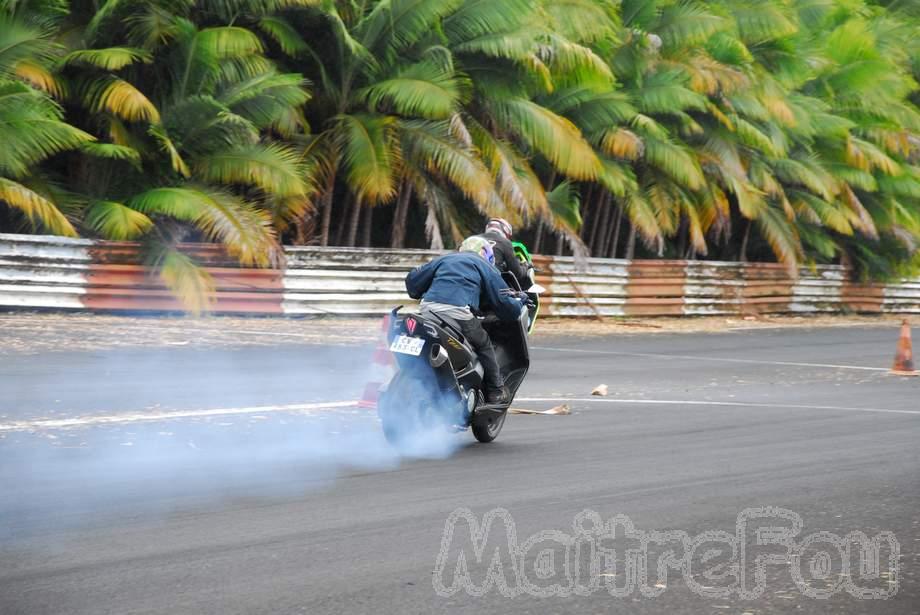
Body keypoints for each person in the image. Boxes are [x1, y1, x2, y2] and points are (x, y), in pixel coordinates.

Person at [405, 236, 525, 404]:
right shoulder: (484, 266)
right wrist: (519, 303)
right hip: (457, 313)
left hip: (427, 311)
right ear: (486, 255)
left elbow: (412, 282)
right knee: (483, 343)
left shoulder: (444, 259)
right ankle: (495, 390)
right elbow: (505, 304)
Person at [475, 218, 531, 290]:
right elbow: (517, 273)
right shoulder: (505, 242)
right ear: (505, 231)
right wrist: (526, 266)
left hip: (469, 279)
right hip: (491, 286)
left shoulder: (472, 239)